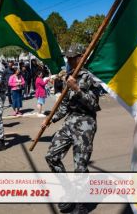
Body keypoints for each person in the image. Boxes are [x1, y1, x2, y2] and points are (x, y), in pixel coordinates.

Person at [42, 47, 101, 214]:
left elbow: (94, 104)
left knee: (80, 166)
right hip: (70, 121)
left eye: (72, 58)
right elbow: (65, 106)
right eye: (67, 58)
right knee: (52, 157)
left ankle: (82, 204)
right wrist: (51, 119)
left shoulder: (89, 77)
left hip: (86, 124)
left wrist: (77, 89)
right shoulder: (70, 76)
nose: (68, 61)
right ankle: (70, 191)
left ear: (81, 57)